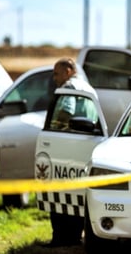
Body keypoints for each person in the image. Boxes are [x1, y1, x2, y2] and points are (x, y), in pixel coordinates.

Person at [46, 57, 85, 247]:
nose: (54, 78)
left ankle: (60, 238)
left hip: (65, 146)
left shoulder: (68, 88)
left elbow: (65, 112)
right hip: (80, 147)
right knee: (76, 195)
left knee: (57, 193)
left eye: (56, 73)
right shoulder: (85, 87)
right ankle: (74, 237)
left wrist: (56, 127)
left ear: (68, 71)